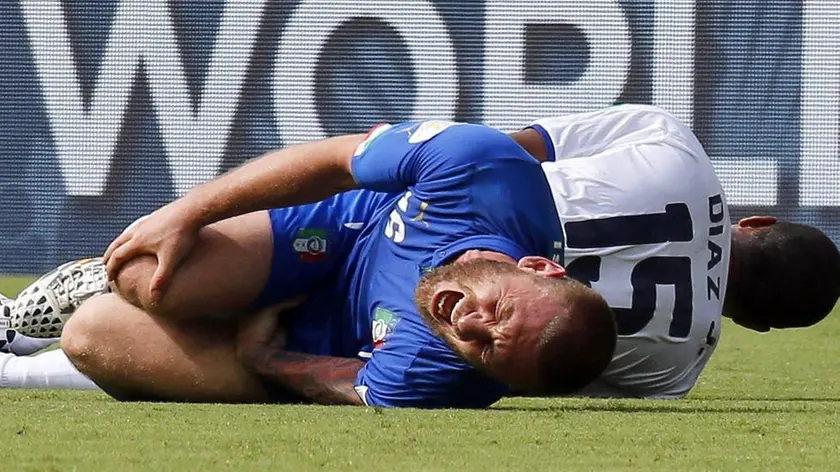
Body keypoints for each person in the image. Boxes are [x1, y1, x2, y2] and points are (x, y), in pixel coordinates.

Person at [4, 105, 839, 399]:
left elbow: (520, 150)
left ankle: (36, 342)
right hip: (430, 257)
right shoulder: (678, 370)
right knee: (159, 287)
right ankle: (59, 336)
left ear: (757, 222)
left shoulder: (677, 152)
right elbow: (555, 372)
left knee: (125, 319)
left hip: (430, 286)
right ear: (758, 327)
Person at [4, 119, 617, 407]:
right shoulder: (483, 168)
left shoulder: (445, 379)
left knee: (93, 332)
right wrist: (186, 213)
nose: (469, 325)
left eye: (485, 350)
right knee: (145, 274)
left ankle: (27, 355)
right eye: (497, 311)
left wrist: (269, 360)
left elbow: (357, 383)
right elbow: (334, 159)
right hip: (344, 232)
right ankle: (86, 292)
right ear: (540, 266)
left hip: (314, 333)